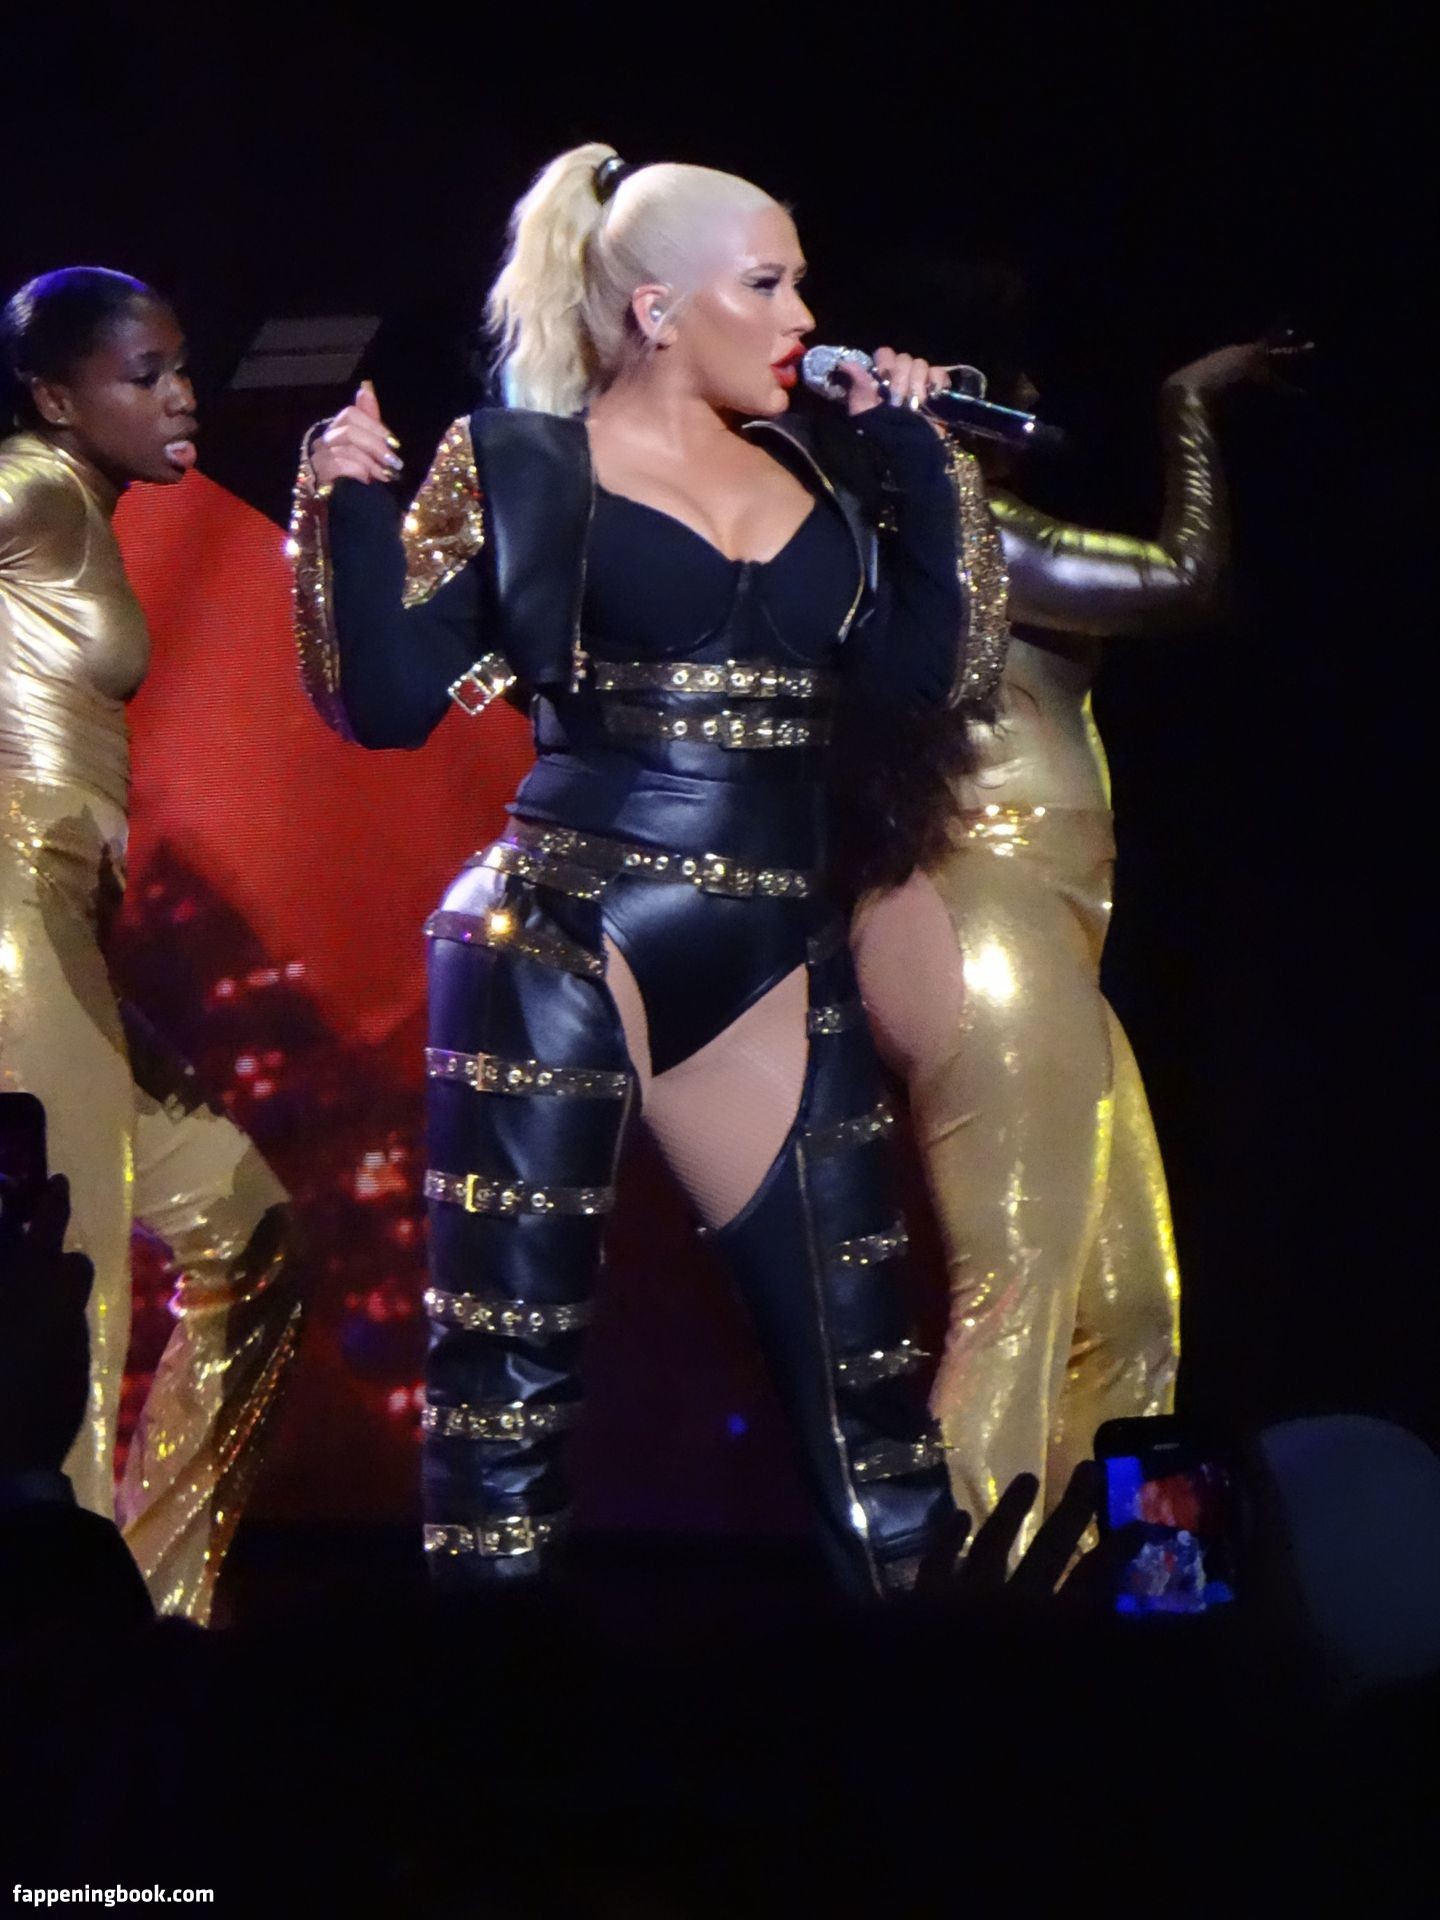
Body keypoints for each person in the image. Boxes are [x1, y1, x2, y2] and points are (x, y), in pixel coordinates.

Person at [289, 142, 978, 1595]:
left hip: (772, 948)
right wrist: (343, 504)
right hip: (568, 930)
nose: (805, 317)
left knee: (866, 1393)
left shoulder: (822, 466)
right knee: (509, 1384)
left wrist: (918, 455)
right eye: (768, 284)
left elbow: (924, 680)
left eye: (802, 284)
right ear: (658, 311)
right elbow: (390, 701)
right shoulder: (522, 462)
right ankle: (485, 1724)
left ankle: (949, 1714)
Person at [853, 282, 1279, 1543]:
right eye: (1014, 380)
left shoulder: (970, 524)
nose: (1034, 402)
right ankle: (964, 1621)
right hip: (978, 899)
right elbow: (1182, 577)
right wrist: (1188, 410)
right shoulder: (962, 528)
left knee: (1134, 1310)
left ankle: (1141, 1598)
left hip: (1052, 920)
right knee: (1019, 1290)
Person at [0, 267, 302, 1619]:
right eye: (144, 375)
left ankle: (155, 1613)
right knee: (69, 1281)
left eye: (182, 368)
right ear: (56, 399)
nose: (182, 397)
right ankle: (56, 1648)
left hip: (62, 918)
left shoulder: (79, 506)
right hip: (13, 907)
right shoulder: (31, 483)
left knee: (253, 1233)